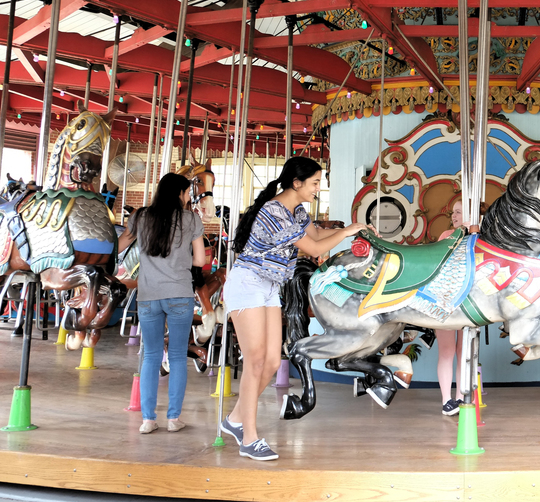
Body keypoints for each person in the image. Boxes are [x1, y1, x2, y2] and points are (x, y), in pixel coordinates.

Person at [220, 157, 371, 460]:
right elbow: (314, 250)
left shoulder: (298, 211)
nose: (319, 188)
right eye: (315, 183)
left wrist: (349, 234)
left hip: (271, 286)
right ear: (297, 183)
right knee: (256, 363)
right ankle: (249, 438)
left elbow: (316, 237)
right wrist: (347, 231)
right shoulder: (274, 212)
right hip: (247, 283)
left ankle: (235, 420)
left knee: (273, 363)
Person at [122, 173, 206, 434]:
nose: (189, 197)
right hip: (179, 293)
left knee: (151, 355)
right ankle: (173, 419)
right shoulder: (191, 218)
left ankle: (148, 419)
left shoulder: (141, 217)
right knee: (179, 356)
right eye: (188, 193)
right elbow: (200, 261)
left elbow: (119, 243)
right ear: (180, 193)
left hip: (148, 295)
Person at [436, 199, 466, 415]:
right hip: (446, 299)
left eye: (458, 212)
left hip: (467, 301)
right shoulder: (447, 236)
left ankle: (461, 397)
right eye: (453, 212)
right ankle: (447, 399)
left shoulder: (479, 238)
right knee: (447, 351)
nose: (453, 216)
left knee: (464, 352)